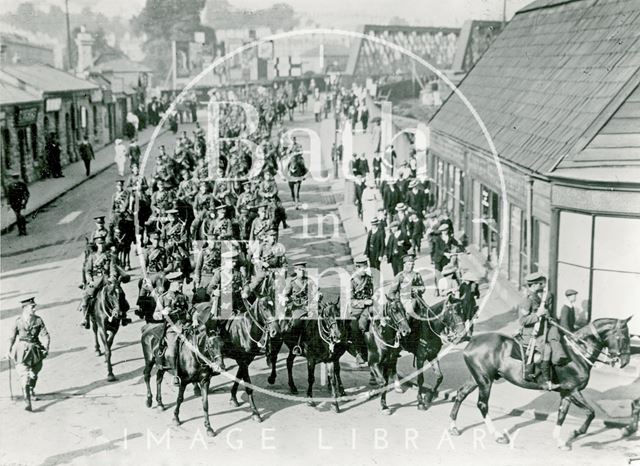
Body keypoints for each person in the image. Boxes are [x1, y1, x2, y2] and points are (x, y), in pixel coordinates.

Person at [518, 272, 560, 390]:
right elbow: (522, 321)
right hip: (531, 335)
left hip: (541, 332)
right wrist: (537, 315)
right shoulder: (527, 300)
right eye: (539, 284)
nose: (541, 285)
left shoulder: (536, 297)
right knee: (547, 350)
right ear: (533, 285)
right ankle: (546, 381)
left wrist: (546, 315)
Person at [7, 297, 50, 411]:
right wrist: (9, 350)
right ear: (25, 308)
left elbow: (45, 335)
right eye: (32, 307)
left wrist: (46, 347)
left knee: (34, 375)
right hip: (21, 351)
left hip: (36, 351)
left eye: (34, 307)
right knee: (24, 376)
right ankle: (27, 402)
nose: (34, 309)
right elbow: (12, 337)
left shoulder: (38, 320)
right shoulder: (18, 321)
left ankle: (31, 389)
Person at [154, 271, 190, 385]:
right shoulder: (163, 298)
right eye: (179, 283)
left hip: (186, 326)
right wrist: (163, 312)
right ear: (172, 283)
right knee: (173, 350)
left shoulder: (183, 296)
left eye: (181, 283)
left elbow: (190, 309)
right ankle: (176, 375)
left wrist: (193, 318)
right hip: (172, 329)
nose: (181, 285)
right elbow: (155, 315)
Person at [349, 255, 374, 365]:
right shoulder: (352, 281)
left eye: (366, 267)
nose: (366, 269)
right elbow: (351, 301)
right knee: (356, 327)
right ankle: (359, 352)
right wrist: (364, 302)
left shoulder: (369, 279)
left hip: (371, 307)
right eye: (364, 267)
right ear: (357, 268)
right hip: (357, 310)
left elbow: (374, 292)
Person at [390, 254, 425, 320]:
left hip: (417, 299)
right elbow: (391, 292)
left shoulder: (417, 275)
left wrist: (418, 289)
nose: (411, 266)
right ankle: (407, 328)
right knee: (409, 312)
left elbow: (423, 287)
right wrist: (395, 301)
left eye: (412, 264)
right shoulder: (400, 276)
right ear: (404, 264)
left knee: (428, 312)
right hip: (404, 300)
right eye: (409, 264)